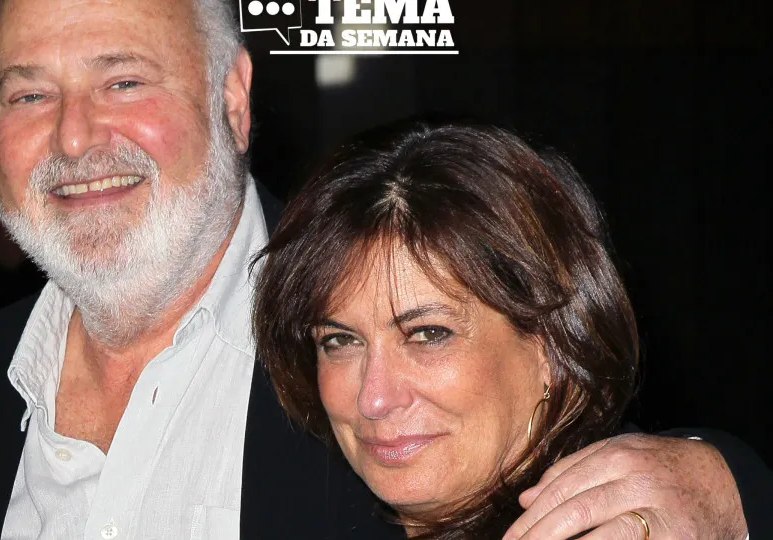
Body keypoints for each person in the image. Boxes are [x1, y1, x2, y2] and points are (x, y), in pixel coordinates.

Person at [0, 1, 770, 539]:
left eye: (124, 80)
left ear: (233, 99)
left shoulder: (378, 358)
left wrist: (733, 489)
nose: (75, 137)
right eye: (28, 94)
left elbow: (587, 455)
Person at [253, 117, 771, 538]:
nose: (374, 398)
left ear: (552, 344)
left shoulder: (639, 524)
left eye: (428, 333)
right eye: (340, 340)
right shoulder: (307, 505)